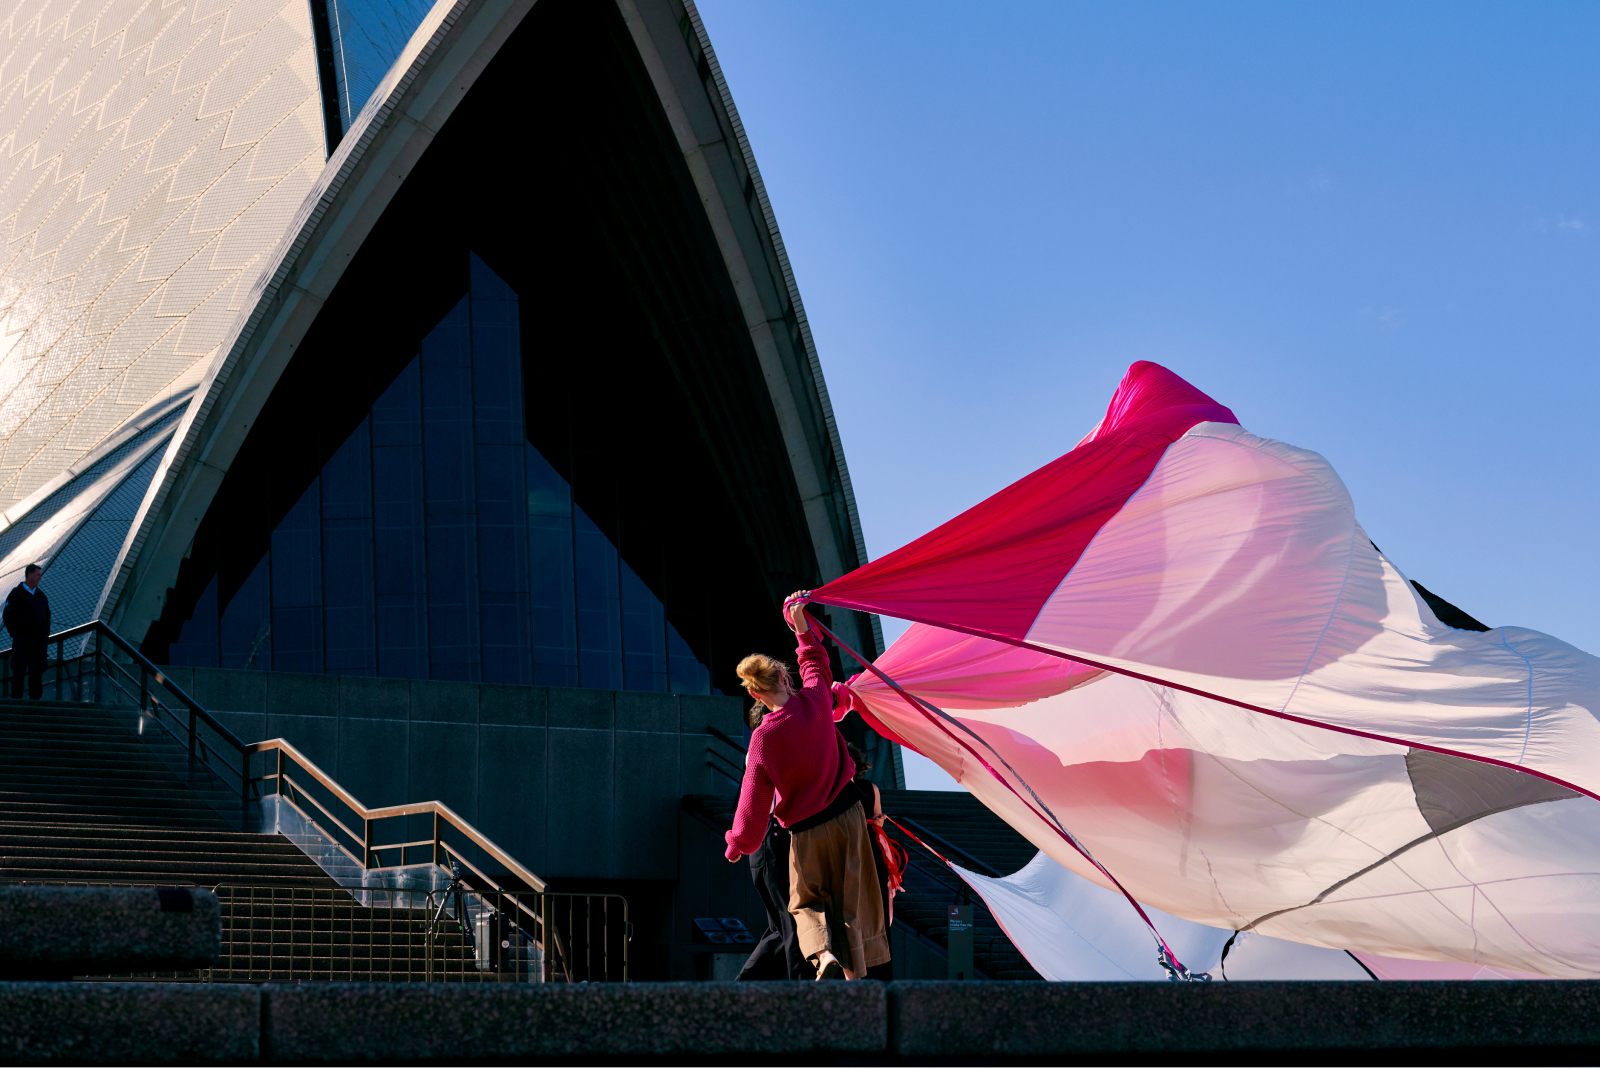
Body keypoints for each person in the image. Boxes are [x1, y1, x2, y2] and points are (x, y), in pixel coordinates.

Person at [724, 594, 889, 980]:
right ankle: (856, 974)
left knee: (805, 903)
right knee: (851, 899)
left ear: (754, 694)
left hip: (805, 831)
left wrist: (738, 843)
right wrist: (799, 620)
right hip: (848, 817)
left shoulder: (762, 739)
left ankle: (824, 956)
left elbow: (752, 806)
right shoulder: (815, 701)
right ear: (784, 678)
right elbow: (815, 661)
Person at [846, 742, 904, 982]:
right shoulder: (871, 788)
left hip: (849, 848)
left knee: (852, 909)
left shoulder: (833, 788)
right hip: (872, 849)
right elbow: (878, 819)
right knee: (877, 911)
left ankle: (852, 968)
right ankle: (880, 972)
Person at [3, 563, 50, 700]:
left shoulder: (41, 596)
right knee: (19, 669)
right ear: (29, 575)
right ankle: (16, 700)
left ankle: (35, 700)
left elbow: (47, 616)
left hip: (38, 642)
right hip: (22, 641)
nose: (40, 578)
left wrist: (44, 634)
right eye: (37, 575)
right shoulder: (16, 594)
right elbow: (8, 615)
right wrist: (16, 634)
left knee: (36, 671)